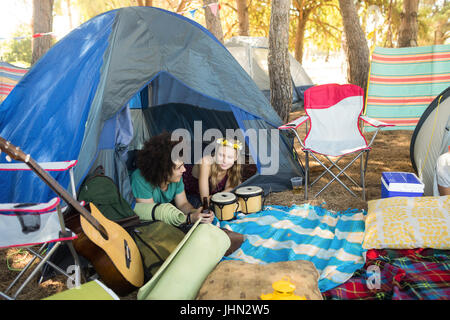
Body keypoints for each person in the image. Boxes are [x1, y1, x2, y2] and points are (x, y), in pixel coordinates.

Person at [131, 132, 214, 225]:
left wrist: (198, 213)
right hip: (150, 220)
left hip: (165, 213)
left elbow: (183, 205)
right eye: (179, 167)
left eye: (183, 165)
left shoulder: (176, 177)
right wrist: (189, 219)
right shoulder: (140, 180)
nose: (184, 169)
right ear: (163, 170)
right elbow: (152, 218)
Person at [183, 138, 243, 207]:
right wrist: (221, 195)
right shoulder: (206, 162)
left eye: (229, 157)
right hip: (187, 191)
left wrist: (219, 195)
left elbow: (229, 192)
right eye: (221, 155)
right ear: (216, 153)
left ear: (236, 158)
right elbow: (205, 201)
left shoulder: (231, 167)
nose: (225, 161)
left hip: (207, 195)